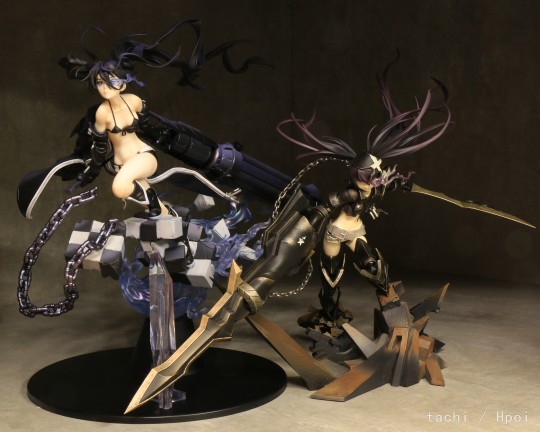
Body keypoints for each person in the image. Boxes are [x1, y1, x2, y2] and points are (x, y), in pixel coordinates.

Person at [277, 56, 452, 335]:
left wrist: (405, 185)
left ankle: (393, 311)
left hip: (356, 231)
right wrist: (305, 232)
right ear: (357, 175)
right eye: (367, 176)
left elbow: (392, 185)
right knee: (331, 279)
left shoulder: (377, 185)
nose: (371, 181)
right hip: (334, 234)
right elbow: (324, 208)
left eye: (374, 175)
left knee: (373, 266)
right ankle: (329, 318)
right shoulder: (349, 192)